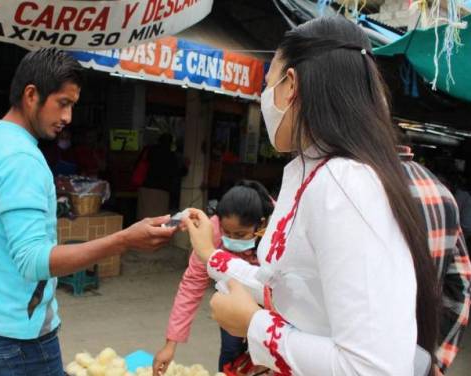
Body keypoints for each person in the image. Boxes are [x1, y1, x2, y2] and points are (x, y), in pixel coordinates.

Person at [183, 17, 440, 375]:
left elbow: (372, 368)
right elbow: (290, 286)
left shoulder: (344, 184)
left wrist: (254, 324)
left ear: (291, 85)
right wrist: (211, 254)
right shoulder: (318, 174)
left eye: (267, 81)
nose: (265, 95)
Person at [0, 48, 177, 376]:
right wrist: (124, 240)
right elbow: (33, 261)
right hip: (16, 341)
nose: (68, 117)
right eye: (63, 103)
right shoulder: (22, 160)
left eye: (72, 105)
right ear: (31, 95)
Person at [153, 180, 274, 375]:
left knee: (269, 355)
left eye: (241, 234)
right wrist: (170, 344)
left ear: (261, 223)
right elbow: (191, 285)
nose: (232, 240)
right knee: (231, 350)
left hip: (274, 300)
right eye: (228, 233)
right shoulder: (211, 230)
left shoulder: (280, 229)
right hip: (232, 296)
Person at [398, 146, 471, 374]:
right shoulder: (439, 192)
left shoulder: (335, 182)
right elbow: (462, 285)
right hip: (412, 360)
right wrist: (435, 361)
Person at [137, 133, 180, 219]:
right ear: (170, 143)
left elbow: (137, 164)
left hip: (146, 188)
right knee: (158, 220)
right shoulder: (171, 155)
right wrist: (186, 167)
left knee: (143, 218)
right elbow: (176, 172)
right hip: (162, 191)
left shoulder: (148, 150)